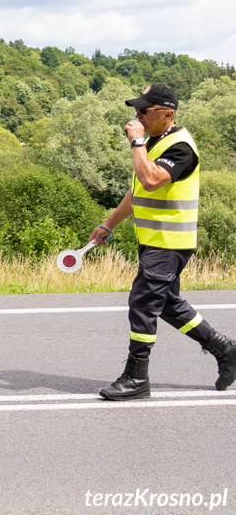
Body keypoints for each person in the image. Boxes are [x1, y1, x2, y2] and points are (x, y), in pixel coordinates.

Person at [90, 85, 236, 400]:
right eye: (137, 110)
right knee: (167, 303)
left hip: (169, 242)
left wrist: (136, 141)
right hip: (155, 240)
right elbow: (140, 191)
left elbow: (151, 180)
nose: (137, 115)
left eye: (145, 110)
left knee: (142, 302)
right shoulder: (155, 143)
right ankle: (225, 348)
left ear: (167, 113)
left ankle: (136, 377)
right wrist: (108, 223)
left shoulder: (181, 147)